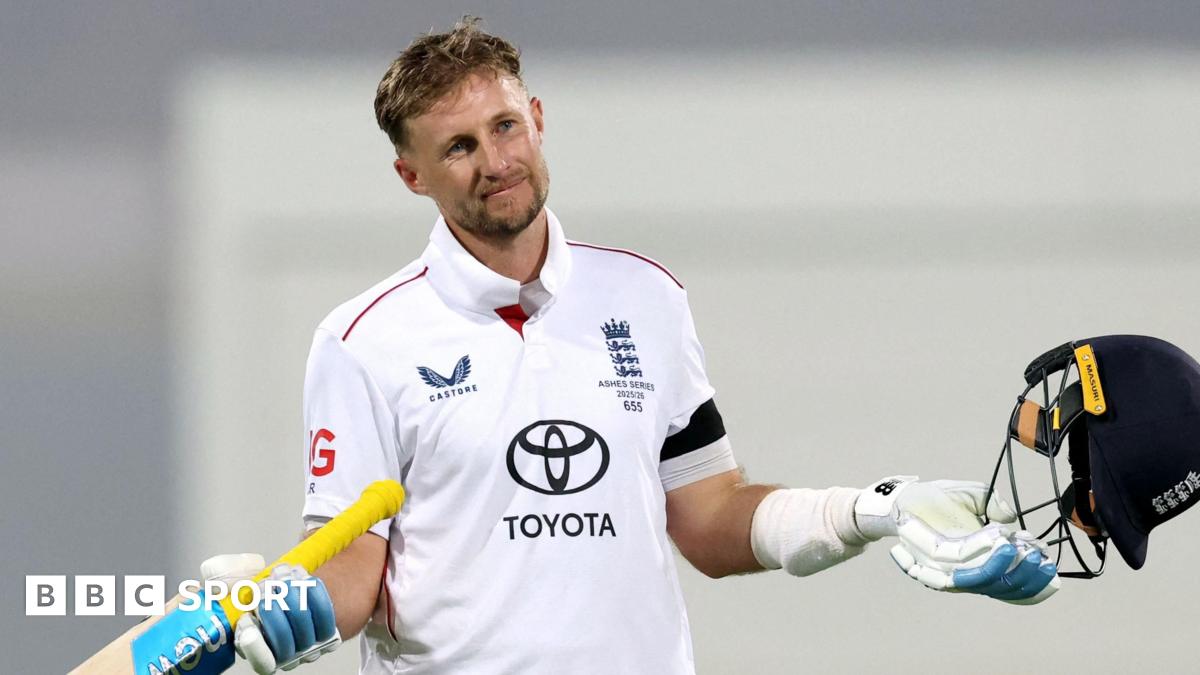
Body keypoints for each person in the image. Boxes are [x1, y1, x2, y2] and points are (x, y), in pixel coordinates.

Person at [205, 17, 1060, 674]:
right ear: (412, 175)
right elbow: (357, 564)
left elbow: (710, 517)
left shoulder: (644, 297)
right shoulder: (363, 340)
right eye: (458, 146)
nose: (494, 160)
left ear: (537, 120)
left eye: (505, 127)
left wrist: (872, 508)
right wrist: (291, 610)